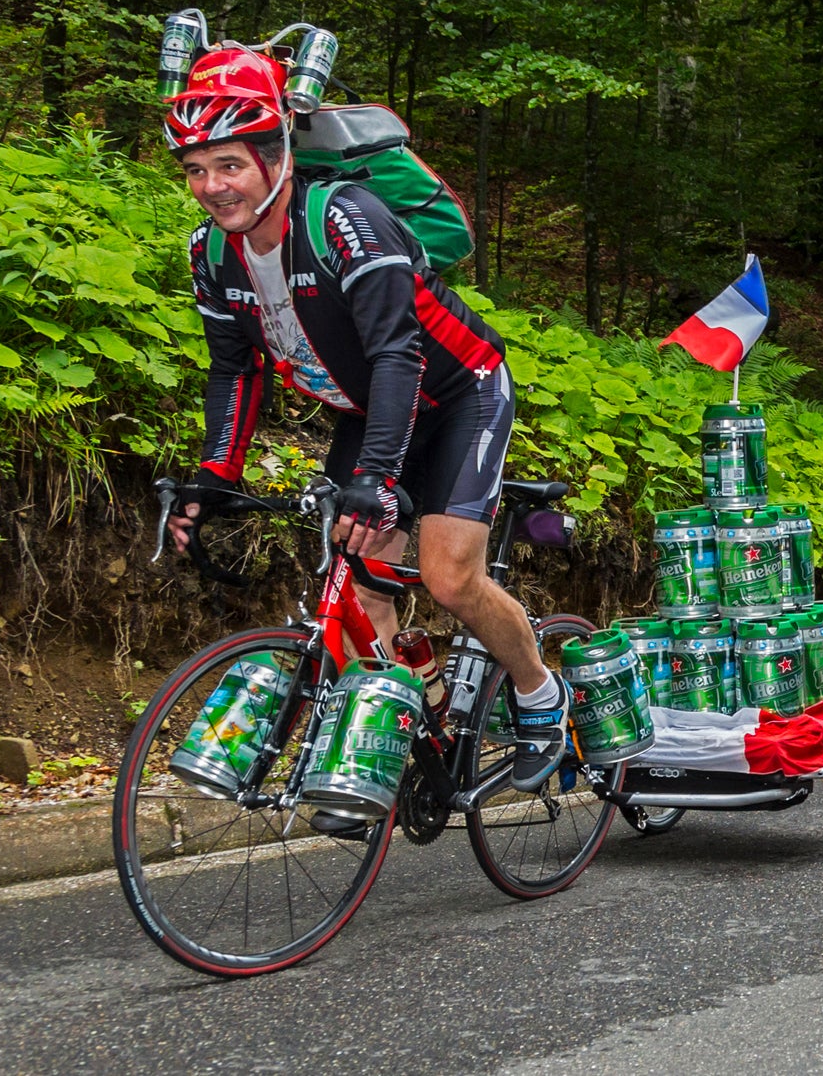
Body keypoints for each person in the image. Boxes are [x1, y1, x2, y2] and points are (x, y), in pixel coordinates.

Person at [160, 43, 568, 819]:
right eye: (195, 170)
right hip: (370, 409)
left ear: (276, 158)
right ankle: (407, 730)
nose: (211, 188)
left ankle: (538, 693)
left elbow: (396, 351)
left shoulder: (345, 218)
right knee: (354, 586)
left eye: (229, 166)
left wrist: (378, 480)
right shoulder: (211, 254)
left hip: (458, 393)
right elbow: (234, 371)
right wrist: (216, 476)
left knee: (449, 579)